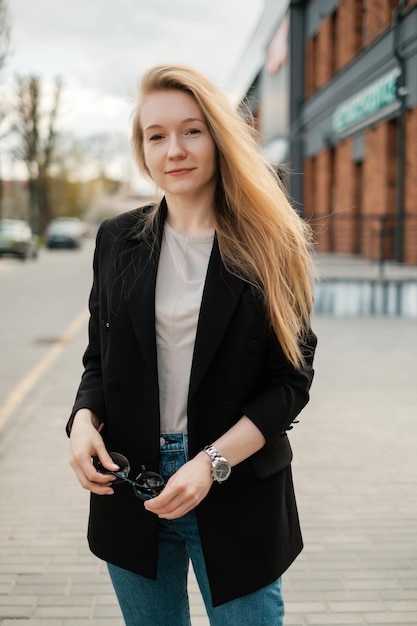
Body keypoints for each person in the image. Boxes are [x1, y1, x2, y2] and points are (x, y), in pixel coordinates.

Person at [67, 64, 317, 626]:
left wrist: (210, 464)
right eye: (156, 136)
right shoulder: (116, 240)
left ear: (220, 138)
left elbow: (290, 384)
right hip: (131, 487)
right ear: (143, 150)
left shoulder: (270, 243)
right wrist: (82, 421)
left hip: (234, 486)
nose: (174, 149)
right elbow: (99, 361)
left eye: (192, 130)